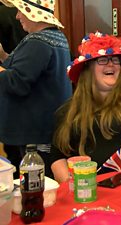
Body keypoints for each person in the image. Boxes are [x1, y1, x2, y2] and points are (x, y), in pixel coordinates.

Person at [49, 32, 121, 183]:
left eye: (115, 59)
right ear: (87, 69)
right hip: (84, 189)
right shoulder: (68, 110)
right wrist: (71, 185)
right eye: (103, 59)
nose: (111, 64)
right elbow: (57, 155)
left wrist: (106, 186)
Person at [0, 0, 72, 178]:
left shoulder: (37, 42)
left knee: (33, 185)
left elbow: (17, 82)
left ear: (33, 13)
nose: (17, 16)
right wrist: (3, 57)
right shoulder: (57, 37)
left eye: (20, 11)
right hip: (46, 130)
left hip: (33, 135)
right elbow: (26, 70)